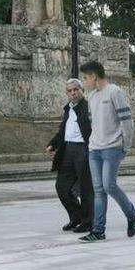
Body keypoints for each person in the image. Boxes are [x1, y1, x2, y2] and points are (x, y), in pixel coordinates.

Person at [77, 61, 135, 243]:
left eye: (86, 77)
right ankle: (98, 231)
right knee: (98, 190)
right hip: (94, 149)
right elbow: (93, 123)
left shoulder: (114, 92)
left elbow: (127, 122)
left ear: (94, 76)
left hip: (113, 148)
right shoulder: (92, 96)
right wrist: (91, 143)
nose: (84, 81)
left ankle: (132, 214)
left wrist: (125, 145)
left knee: (108, 185)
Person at [46, 78, 93, 233]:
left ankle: (88, 222)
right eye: (69, 90)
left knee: (86, 189)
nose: (73, 93)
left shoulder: (89, 107)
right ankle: (76, 217)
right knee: (62, 187)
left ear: (82, 91)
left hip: (84, 150)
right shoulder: (68, 109)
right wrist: (53, 143)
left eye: (75, 89)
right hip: (67, 150)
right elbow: (63, 130)